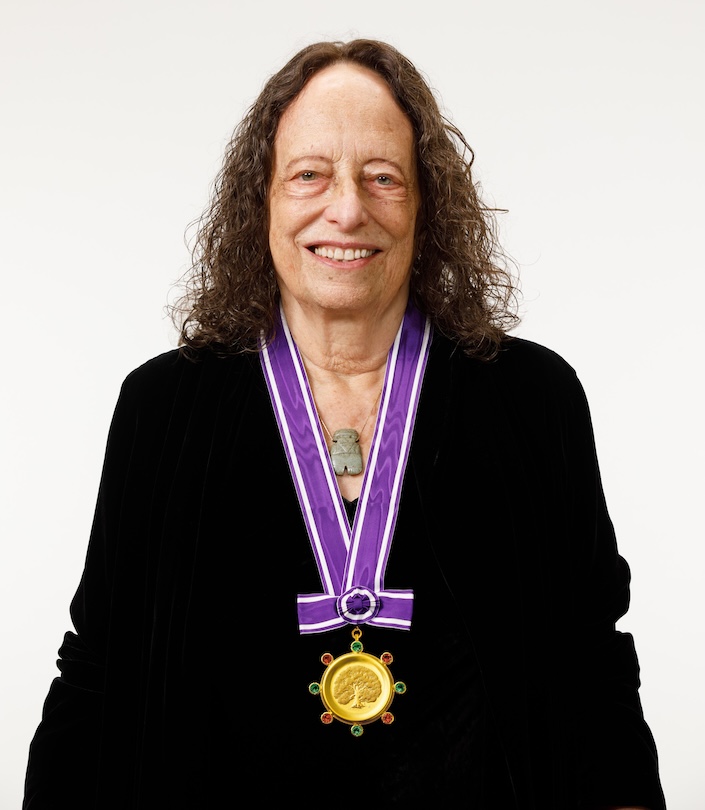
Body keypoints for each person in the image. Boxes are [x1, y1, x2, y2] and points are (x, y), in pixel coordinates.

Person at [23, 39, 666, 809]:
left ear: (426, 204)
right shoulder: (165, 408)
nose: (348, 209)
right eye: (309, 175)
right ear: (260, 200)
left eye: (382, 177)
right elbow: (98, 671)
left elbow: (591, 662)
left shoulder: (530, 398)